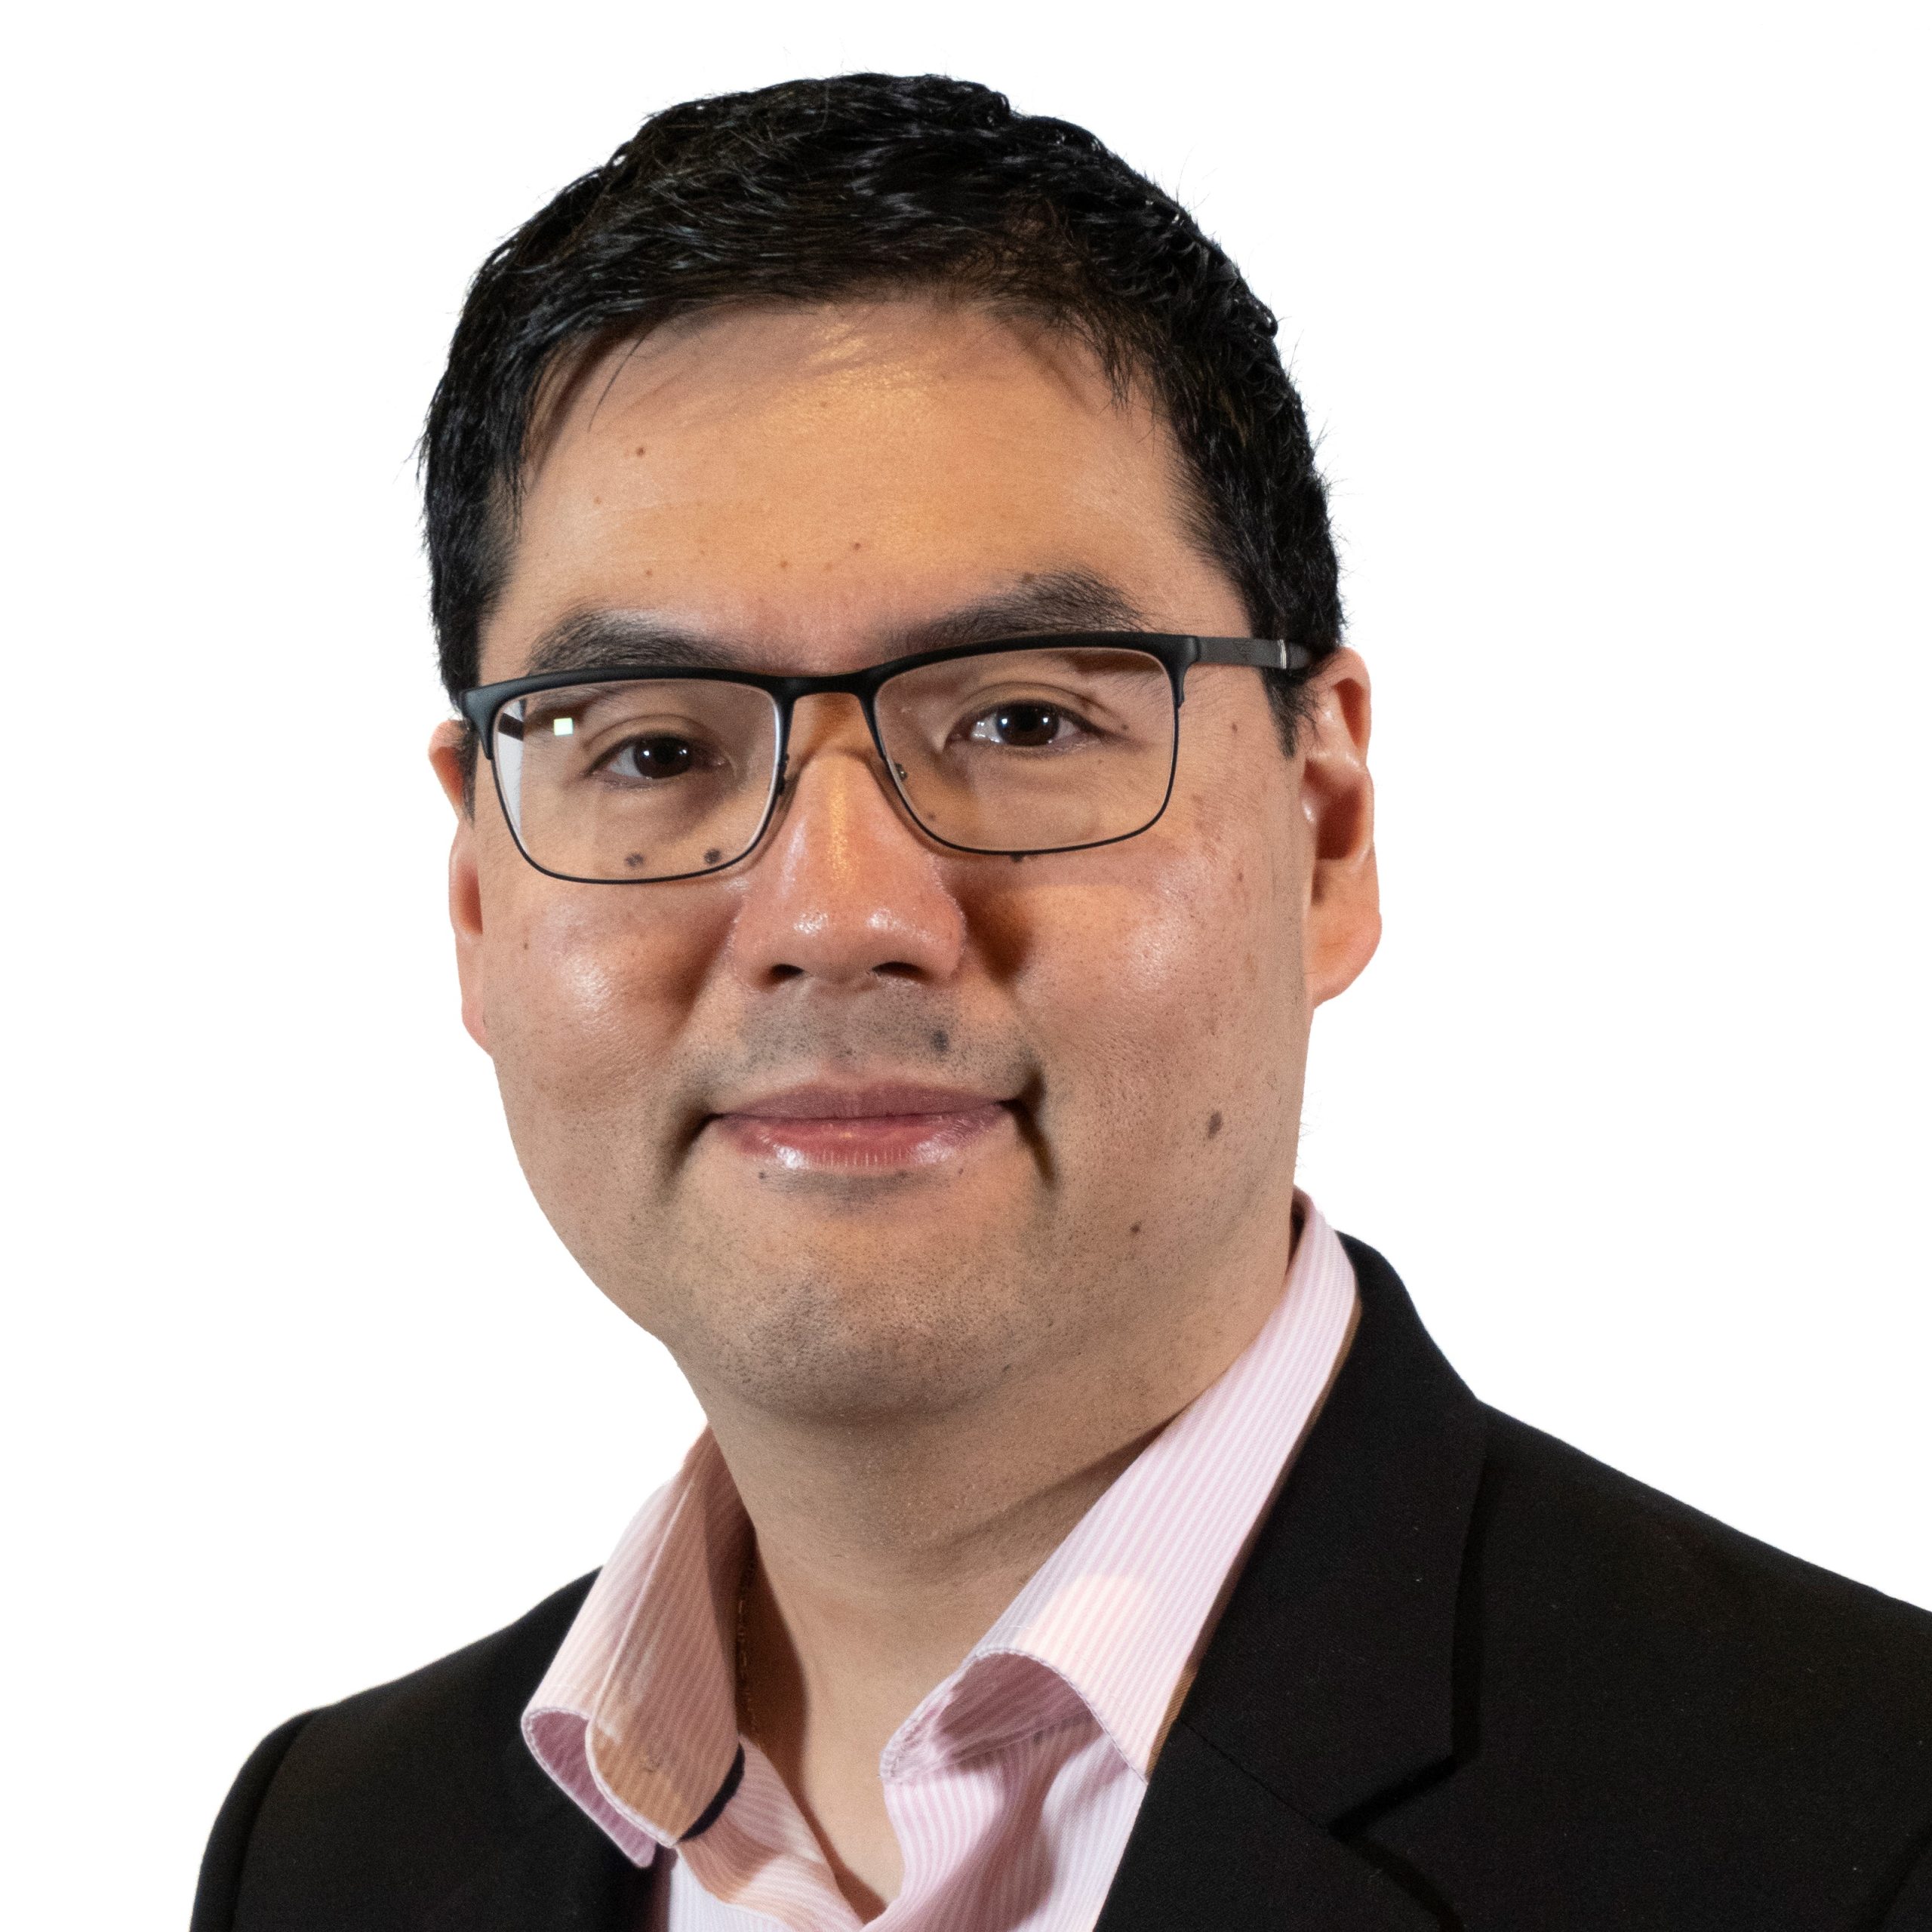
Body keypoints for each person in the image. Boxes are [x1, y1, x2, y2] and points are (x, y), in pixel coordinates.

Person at [192, 72, 1932, 1932]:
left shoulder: (1856, 1824)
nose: (839, 912)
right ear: (477, 895)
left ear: (1323, 821)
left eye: (1021, 720)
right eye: (653, 748)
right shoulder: (334, 1849)